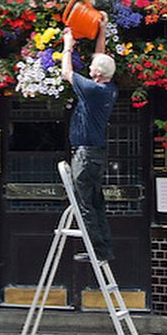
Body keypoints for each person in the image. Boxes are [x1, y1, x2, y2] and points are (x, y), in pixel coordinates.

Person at [60, 17, 117, 263]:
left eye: (93, 66)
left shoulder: (92, 90)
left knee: (85, 204)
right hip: (96, 155)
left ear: (96, 74)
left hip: (84, 156)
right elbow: (100, 56)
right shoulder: (107, 87)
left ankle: (96, 251)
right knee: (96, 202)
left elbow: (66, 72)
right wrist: (102, 30)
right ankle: (104, 249)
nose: (90, 67)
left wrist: (68, 45)